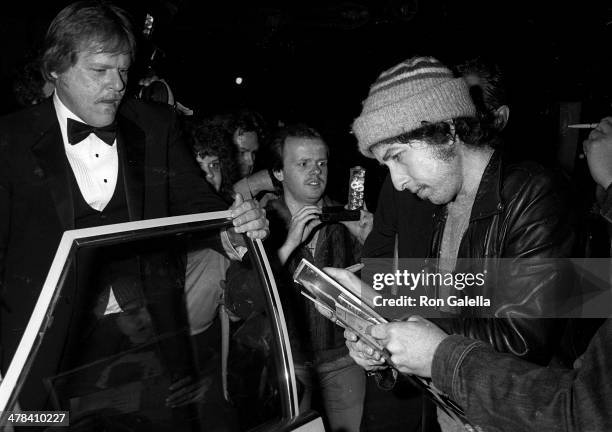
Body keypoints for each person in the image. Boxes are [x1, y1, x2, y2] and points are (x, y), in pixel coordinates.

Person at [0, 0, 267, 410]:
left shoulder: (155, 123)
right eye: (100, 70)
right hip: (43, 353)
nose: (118, 85)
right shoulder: (10, 140)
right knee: (44, 426)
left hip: (152, 343)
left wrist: (234, 228)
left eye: (123, 70)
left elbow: (198, 204)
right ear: (55, 68)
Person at [337, 117, 612, 432]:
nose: (397, 182)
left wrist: (394, 319)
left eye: (398, 156)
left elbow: (521, 343)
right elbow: (439, 311)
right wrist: (383, 342)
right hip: (458, 411)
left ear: (448, 132)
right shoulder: (442, 204)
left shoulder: (533, 191)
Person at [265, 124, 365, 432]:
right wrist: (288, 245)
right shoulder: (261, 222)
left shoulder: (348, 216)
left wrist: (371, 241)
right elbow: (241, 299)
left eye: (321, 163)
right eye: (303, 163)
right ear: (279, 172)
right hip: (288, 363)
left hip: (343, 358)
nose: (315, 173)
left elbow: (385, 288)